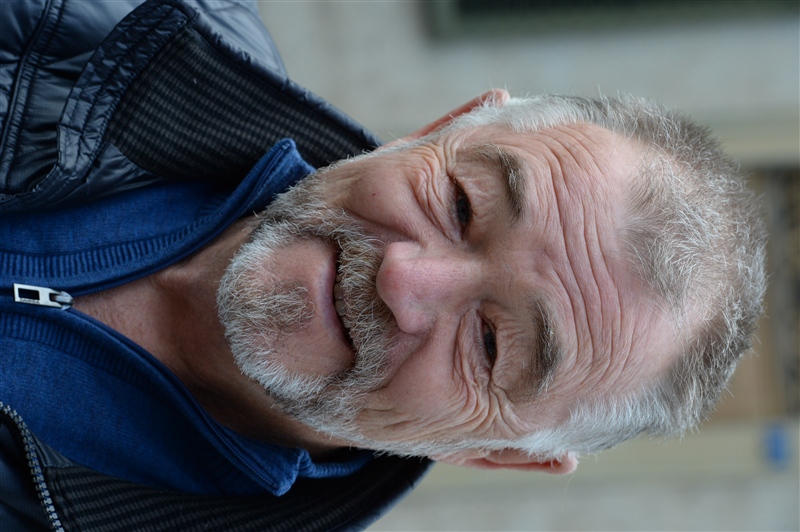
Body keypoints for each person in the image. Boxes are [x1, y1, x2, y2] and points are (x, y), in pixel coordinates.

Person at [0, 0, 767, 530]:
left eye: (490, 344)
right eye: (462, 205)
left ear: (492, 454)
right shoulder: (109, 16)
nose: (404, 280)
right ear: (442, 127)